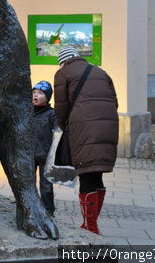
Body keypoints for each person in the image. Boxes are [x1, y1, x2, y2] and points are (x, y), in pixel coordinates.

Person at [53, 45, 118, 235]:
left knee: (86, 173)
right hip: (108, 127)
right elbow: (115, 102)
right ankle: (92, 222)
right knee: (96, 175)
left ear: (63, 61)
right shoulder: (101, 71)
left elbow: (61, 108)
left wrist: (64, 128)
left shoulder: (63, 73)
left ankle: (91, 226)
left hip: (83, 129)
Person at [32, 80, 56, 217]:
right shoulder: (28, 112)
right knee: (29, 182)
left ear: (47, 97)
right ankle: (32, 204)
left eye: (40, 93)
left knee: (46, 185)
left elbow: (58, 133)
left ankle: (49, 209)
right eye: (34, 92)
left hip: (46, 156)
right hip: (30, 155)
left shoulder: (51, 114)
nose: (35, 95)